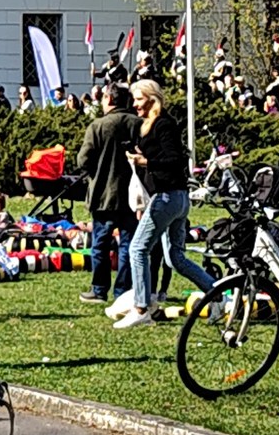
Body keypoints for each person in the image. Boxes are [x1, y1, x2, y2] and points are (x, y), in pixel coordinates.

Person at [114, 79, 219, 330]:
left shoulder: (164, 124)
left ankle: (141, 308)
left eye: (139, 99)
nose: (135, 104)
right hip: (176, 198)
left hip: (168, 197)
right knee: (175, 258)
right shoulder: (148, 125)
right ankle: (218, 295)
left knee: (137, 249)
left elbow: (175, 159)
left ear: (152, 97)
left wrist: (145, 160)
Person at [76, 84, 138, 304]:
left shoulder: (99, 125)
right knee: (128, 246)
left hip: (104, 195)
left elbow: (83, 160)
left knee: (100, 245)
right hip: (133, 196)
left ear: (110, 100)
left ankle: (99, 289)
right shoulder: (138, 124)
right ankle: (123, 292)